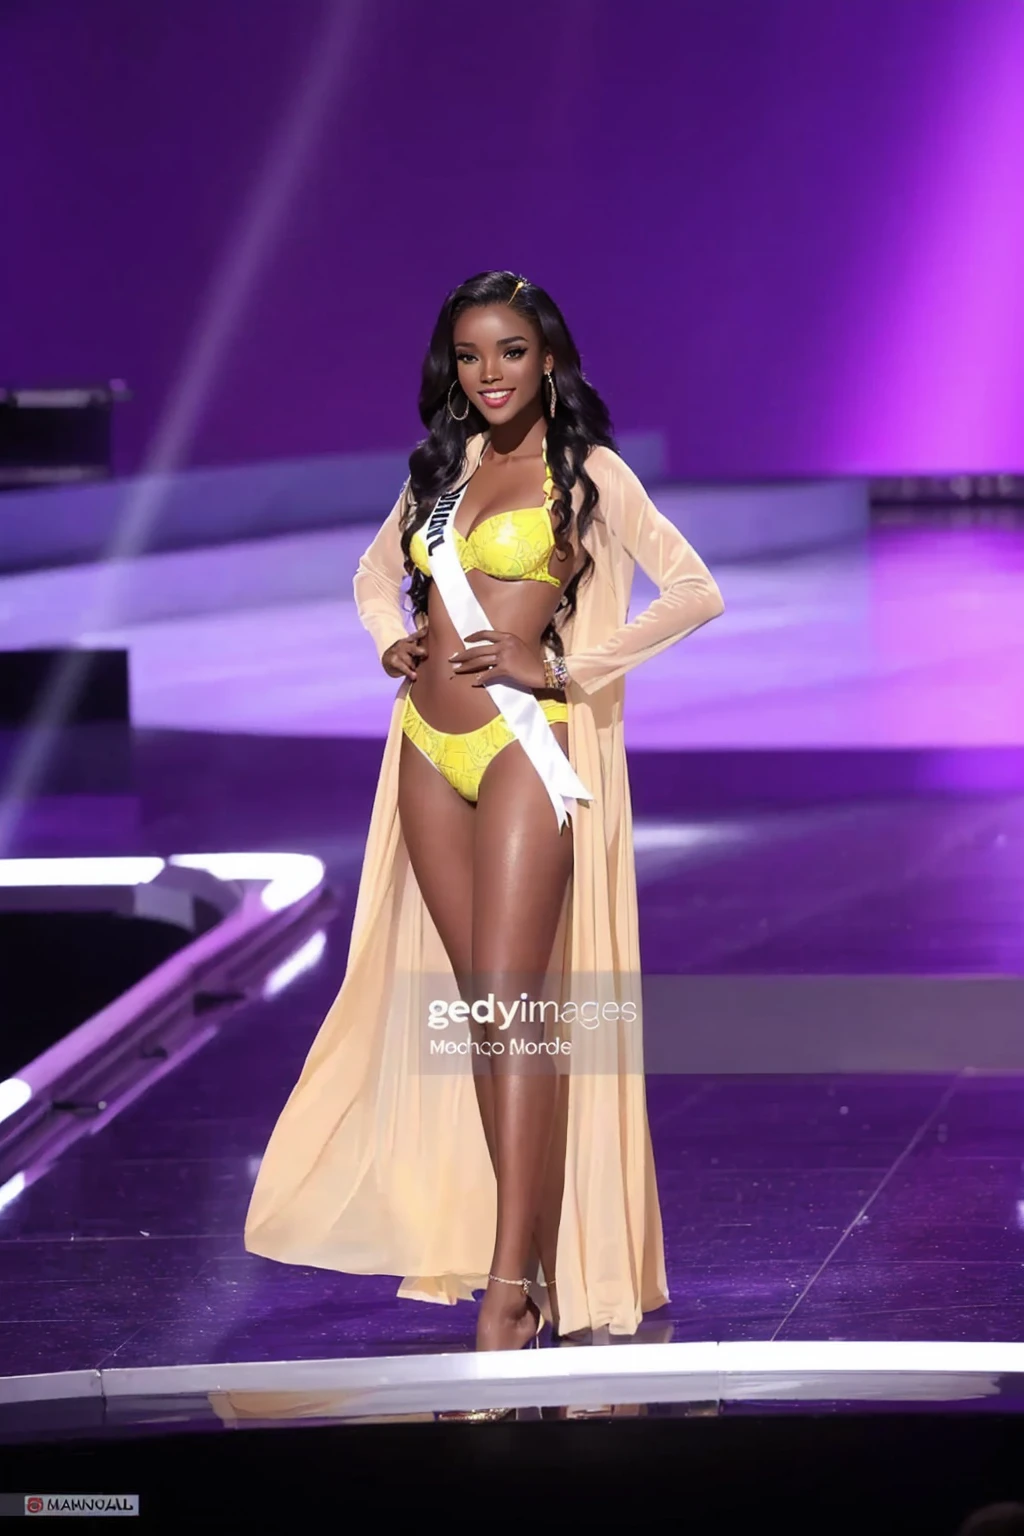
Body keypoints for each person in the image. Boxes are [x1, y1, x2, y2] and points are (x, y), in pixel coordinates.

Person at [244, 269, 724, 1366]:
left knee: (517, 1008)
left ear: (547, 356)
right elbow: (375, 576)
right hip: (424, 747)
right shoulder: (443, 473)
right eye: (469, 355)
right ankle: (527, 1259)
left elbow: (693, 590)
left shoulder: (590, 472)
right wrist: (391, 643)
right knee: (480, 1018)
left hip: (524, 747)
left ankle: (508, 1291)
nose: (490, 373)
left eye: (510, 350)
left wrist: (562, 663)